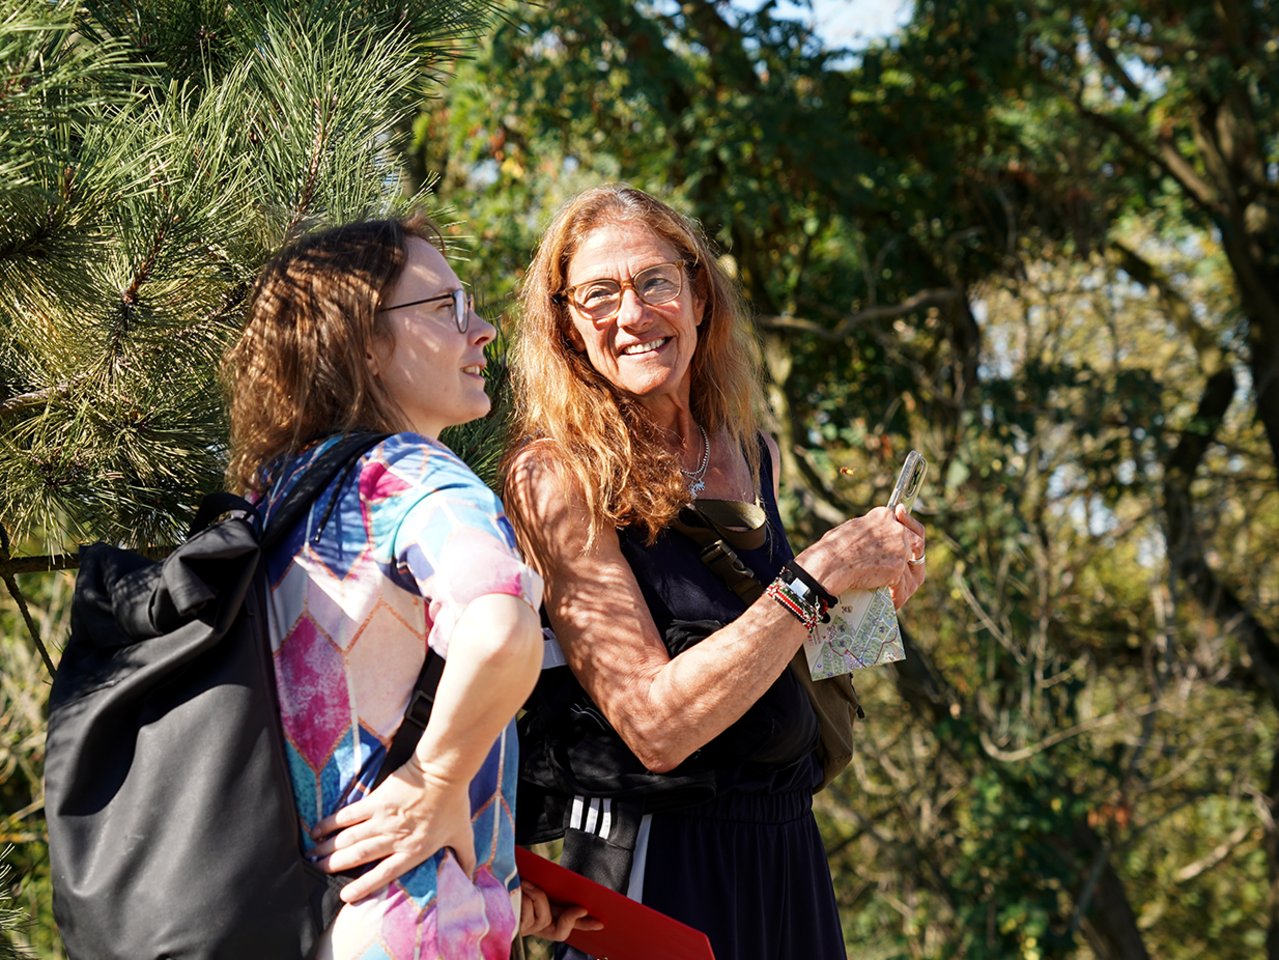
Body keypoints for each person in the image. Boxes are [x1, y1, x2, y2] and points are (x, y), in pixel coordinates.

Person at [502, 185, 927, 960]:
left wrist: (867, 600)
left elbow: (782, 658)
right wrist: (818, 573)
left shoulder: (747, 450)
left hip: (786, 847)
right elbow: (655, 727)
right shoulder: (555, 475)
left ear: (699, 295)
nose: (631, 315)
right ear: (566, 326)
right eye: (597, 294)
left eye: (654, 282)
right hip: (652, 859)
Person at [222, 218, 599, 960]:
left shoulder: (280, 501)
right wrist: (434, 779)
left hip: (312, 923)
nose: (483, 329)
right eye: (445, 309)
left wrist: (495, 896)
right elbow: (502, 631)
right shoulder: (420, 478)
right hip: (412, 929)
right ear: (361, 341)